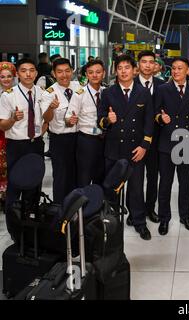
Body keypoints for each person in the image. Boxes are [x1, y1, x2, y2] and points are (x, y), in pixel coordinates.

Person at [98, 55, 154, 240]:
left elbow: (148, 122)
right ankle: (111, 222)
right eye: (120, 67)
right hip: (114, 149)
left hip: (136, 150)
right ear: (115, 70)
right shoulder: (108, 93)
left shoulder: (143, 93)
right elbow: (100, 121)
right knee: (112, 189)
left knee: (137, 189)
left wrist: (144, 146)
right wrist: (107, 120)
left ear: (134, 70)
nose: (123, 71)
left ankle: (139, 222)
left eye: (127, 67)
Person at [154, 57, 189, 236]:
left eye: (180, 68)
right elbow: (154, 112)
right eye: (173, 68)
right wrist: (160, 118)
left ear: (188, 71)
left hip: (186, 142)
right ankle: (164, 218)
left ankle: (185, 216)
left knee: (185, 183)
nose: (176, 71)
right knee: (165, 183)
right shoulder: (162, 89)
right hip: (166, 143)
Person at [0, 58, 45, 209]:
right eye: (24, 71)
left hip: (36, 144)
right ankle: (14, 227)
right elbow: (2, 126)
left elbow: (47, 118)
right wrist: (12, 119)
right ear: (17, 74)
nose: (28, 74)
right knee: (15, 185)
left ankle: (31, 224)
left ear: (36, 73)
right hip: (17, 146)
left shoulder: (41, 92)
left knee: (34, 186)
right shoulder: (8, 95)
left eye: (31, 70)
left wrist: (40, 133)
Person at [41, 58, 81, 204]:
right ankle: (60, 211)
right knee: (61, 177)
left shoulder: (79, 87)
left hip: (79, 138)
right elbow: (46, 118)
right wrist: (51, 107)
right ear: (53, 73)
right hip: (60, 141)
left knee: (78, 176)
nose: (64, 75)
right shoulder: (49, 93)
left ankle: (77, 211)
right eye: (60, 72)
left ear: (72, 71)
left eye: (67, 71)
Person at [132, 50, 165, 225]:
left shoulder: (162, 85)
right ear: (138, 65)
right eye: (143, 61)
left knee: (153, 177)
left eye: (151, 62)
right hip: (135, 139)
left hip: (156, 140)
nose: (147, 65)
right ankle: (134, 211)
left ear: (156, 66)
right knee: (134, 178)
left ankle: (150, 208)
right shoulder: (130, 83)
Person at [66, 59, 106, 187]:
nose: (95, 75)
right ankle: (83, 206)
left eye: (98, 72)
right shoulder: (79, 94)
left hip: (105, 140)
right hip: (87, 141)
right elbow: (68, 116)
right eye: (91, 72)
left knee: (101, 177)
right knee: (84, 177)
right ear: (86, 75)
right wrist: (70, 120)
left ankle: (98, 206)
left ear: (103, 74)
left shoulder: (107, 92)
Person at [0, 62, 16, 203]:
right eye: (2, 76)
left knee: (11, 166)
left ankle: (8, 197)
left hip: (14, 136)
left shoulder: (18, 94)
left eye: (9, 76)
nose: (6, 79)